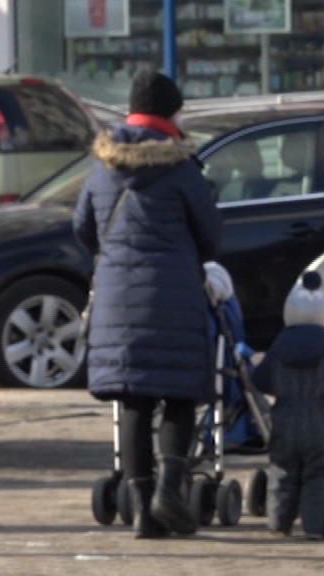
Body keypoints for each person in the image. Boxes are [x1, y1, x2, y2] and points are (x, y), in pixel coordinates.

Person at [73, 70, 223, 538]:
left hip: (117, 297)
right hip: (173, 296)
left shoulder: (102, 166)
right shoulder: (182, 169)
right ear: (170, 113)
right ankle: (169, 490)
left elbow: (82, 229)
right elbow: (212, 238)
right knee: (178, 395)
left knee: (134, 400)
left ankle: (141, 510)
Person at [252, 271, 324, 540]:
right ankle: (315, 528)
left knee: (282, 472)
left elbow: (260, 381)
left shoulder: (276, 354)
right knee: (321, 475)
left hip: (284, 423)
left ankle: (279, 522)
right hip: (323, 426)